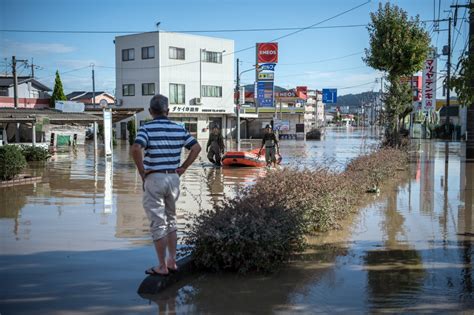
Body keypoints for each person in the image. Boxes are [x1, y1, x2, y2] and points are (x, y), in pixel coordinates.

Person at [131, 94, 201, 276]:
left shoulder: (146, 128)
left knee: (157, 223)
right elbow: (196, 148)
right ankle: (172, 261)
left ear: (150, 111)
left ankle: (161, 266)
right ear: (167, 111)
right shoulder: (179, 129)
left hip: (154, 178)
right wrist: (184, 167)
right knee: (171, 219)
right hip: (173, 179)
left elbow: (136, 148)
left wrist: (141, 172)